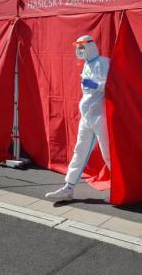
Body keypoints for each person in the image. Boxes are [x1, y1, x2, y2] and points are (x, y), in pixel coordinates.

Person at [45, 35, 111, 201]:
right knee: (79, 151)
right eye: (77, 47)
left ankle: (124, 187)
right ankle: (68, 187)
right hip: (87, 117)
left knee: (108, 154)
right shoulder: (87, 65)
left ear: (90, 46)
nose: (79, 50)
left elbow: (113, 84)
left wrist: (96, 85)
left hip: (100, 117)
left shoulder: (103, 62)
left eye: (82, 47)